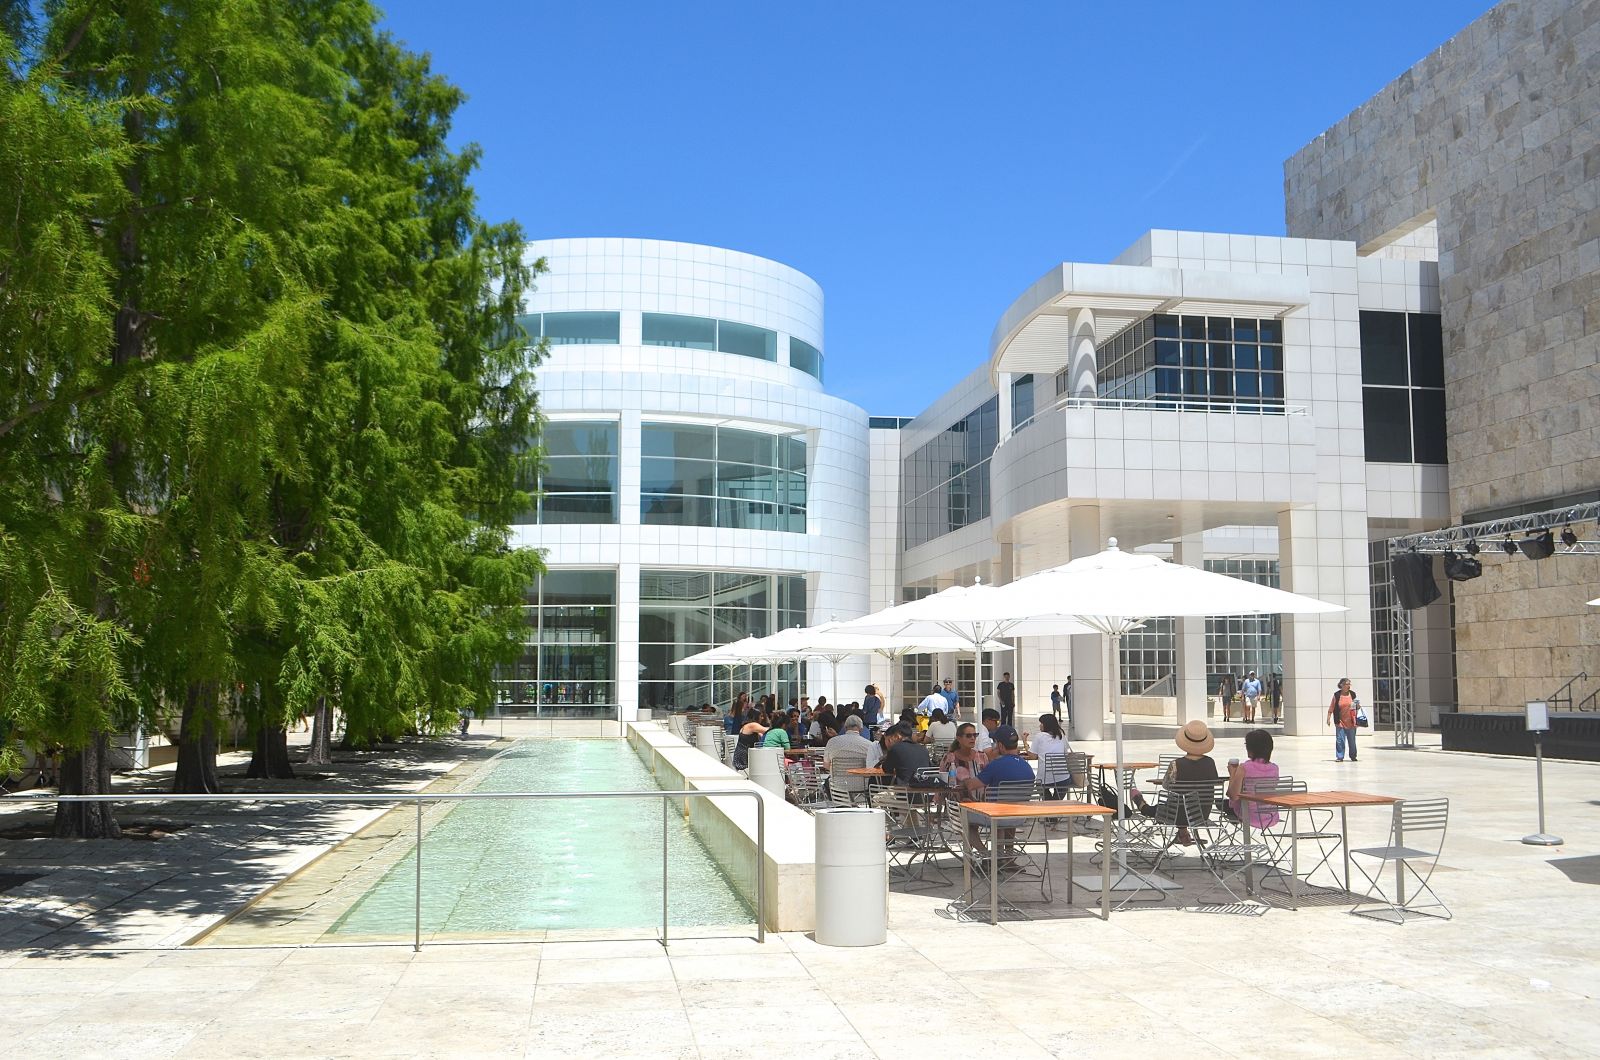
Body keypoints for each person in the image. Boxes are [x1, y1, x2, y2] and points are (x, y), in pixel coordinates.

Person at [1129, 720, 1219, 845]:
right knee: (1184, 803)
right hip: (1201, 813)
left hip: (1176, 814)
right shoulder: (1210, 763)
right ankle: (1183, 834)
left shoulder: (1176, 764)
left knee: (1152, 809)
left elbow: (1166, 786)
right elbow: (1213, 782)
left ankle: (1139, 800)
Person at [1226, 728, 1281, 829]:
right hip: (1271, 816)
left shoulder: (1244, 768)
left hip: (1248, 815)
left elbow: (1233, 795)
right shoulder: (1274, 768)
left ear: (1251, 748)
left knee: (1221, 803)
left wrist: (1232, 774)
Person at [1030, 713, 1072, 798]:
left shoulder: (1039, 736)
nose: (1040, 726)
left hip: (1044, 779)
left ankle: (1049, 805)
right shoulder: (1061, 734)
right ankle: (1054, 805)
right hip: (1063, 779)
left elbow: (1033, 756)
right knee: (1056, 801)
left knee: (1041, 787)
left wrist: (1024, 741)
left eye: (1041, 723)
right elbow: (1066, 753)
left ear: (1046, 725)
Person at [939, 723, 986, 794]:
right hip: (955, 801)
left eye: (975, 735)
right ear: (959, 738)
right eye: (968, 736)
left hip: (980, 801)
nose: (973, 738)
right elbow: (942, 780)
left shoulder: (982, 756)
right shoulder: (949, 757)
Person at [1327, 677, 1360, 762]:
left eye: (1349, 684)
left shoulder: (1352, 694)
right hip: (1340, 721)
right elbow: (1332, 707)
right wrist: (1328, 718)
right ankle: (1340, 757)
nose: (1349, 686)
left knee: (1352, 741)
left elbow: (1357, 706)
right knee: (1340, 740)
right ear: (1341, 685)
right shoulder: (1337, 695)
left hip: (1351, 722)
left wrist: (1358, 706)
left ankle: (1353, 756)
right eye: (1347, 684)